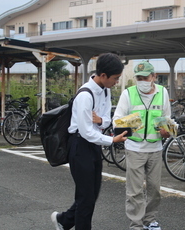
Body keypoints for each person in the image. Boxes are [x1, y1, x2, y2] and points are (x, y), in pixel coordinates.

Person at [51, 53, 128, 230]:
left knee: (91, 194)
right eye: (115, 78)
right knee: (85, 198)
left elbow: (107, 119)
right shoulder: (85, 95)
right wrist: (111, 139)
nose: (116, 82)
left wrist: (100, 121)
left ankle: (64, 220)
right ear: (103, 76)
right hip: (80, 146)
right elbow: (86, 132)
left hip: (94, 145)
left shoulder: (105, 91)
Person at [113, 61, 171, 230]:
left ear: (154, 77)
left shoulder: (162, 92)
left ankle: (150, 220)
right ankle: (136, 224)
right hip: (134, 148)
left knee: (155, 189)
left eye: (145, 77)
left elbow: (167, 117)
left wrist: (166, 130)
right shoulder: (128, 93)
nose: (142, 81)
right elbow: (116, 120)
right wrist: (133, 121)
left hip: (155, 148)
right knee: (135, 190)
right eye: (139, 77)